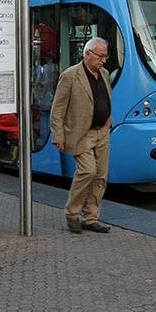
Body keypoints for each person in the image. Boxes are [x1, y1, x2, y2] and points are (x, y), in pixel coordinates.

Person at [50, 37, 113, 234]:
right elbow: (58, 109)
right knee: (88, 171)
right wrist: (58, 136)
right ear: (87, 54)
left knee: (101, 176)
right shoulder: (70, 76)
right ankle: (72, 213)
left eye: (105, 56)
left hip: (102, 131)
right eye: (100, 56)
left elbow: (106, 98)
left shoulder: (104, 73)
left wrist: (109, 118)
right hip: (81, 133)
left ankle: (90, 218)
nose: (103, 60)